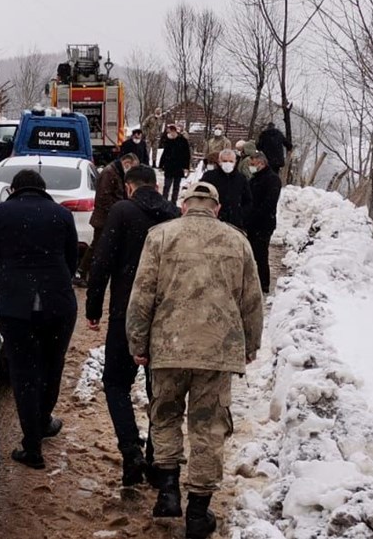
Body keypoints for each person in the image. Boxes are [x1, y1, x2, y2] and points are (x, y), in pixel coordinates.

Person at [126, 182, 265, 539]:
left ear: (184, 206)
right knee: (208, 428)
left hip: (169, 347)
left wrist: (137, 342)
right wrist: (251, 343)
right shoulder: (238, 241)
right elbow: (252, 299)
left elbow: (142, 294)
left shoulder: (160, 237)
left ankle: (168, 492)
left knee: (166, 415)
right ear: (216, 209)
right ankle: (199, 513)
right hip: (217, 351)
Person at [85, 165, 179, 486]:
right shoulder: (174, 216)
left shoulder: (123, 212)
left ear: (129, 187)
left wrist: (93, 307)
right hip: (166, 318)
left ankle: (130, 451)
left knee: (115, 383)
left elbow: (101, 262)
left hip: (127, 314)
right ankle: (154, 457)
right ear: (157, 185)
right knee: (159, 392)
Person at [0, 169, 79, 470]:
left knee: (25, 373)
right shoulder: (61, 215)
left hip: (15, 306)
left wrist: (11, 287)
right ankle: (42, 421)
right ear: (43, 189)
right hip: (58, 304)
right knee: (52, 367)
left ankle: (32, 445)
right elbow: (71, 258)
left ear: (14, 189)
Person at [76, 153, 140, 286]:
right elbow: (103, 198)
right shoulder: (109, 173)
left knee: (100, 246)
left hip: (109, 217)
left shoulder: (117, 172)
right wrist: (119, 209)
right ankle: (82, 271)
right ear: (126, 163)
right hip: (104, 218)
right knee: (97, 246)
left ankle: (88, 271)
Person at [245, 151, 282, 293]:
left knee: (260, 254)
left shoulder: (272, 179)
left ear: (261, 163)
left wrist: (253, 215)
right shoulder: (255, 179)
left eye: (253, 164)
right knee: (251, 253)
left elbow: (269, 203)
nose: (251, 167)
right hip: (252, 222)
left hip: (264, 223)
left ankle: (263, 283)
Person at [200, 149, 252, 230]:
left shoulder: (241, 179)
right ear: (219, 161)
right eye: (225, 161)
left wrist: (240, 215)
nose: (228, 163)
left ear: (235, 162)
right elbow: (200, 196)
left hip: (234, 223)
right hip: (212, 221)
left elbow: (248, 200)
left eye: (231, 161)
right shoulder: (209, 177)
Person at [158, 124, 191, 204]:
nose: (169, 134)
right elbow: (165, 153)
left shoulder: (182, 141)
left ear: (174, 131)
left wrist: (186, 166)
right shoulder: (168, 140)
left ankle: (173, 202)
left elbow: (187, 154)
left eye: (170, 132)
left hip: (178, 167)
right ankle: (164, 202)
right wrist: (161, 164)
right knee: (166, 186)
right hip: (169, 166)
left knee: (176, 187)